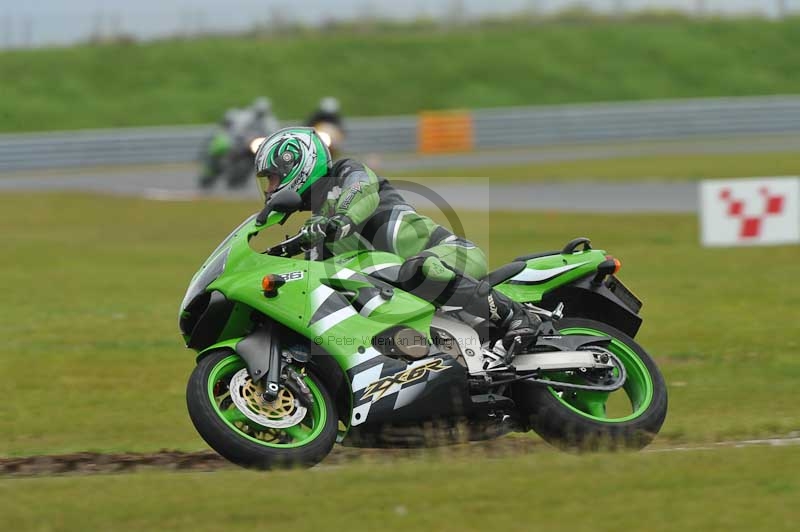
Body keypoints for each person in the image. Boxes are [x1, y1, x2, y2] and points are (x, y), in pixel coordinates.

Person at [254, 127, 541, 354]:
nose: (269, 189)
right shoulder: (319, 232)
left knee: (420, 269)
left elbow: (360, 194)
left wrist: (340, 219)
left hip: (448, 255)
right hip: (406, 293)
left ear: (298, 164)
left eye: (273, 178)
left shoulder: (347, 175)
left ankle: (514, 315)